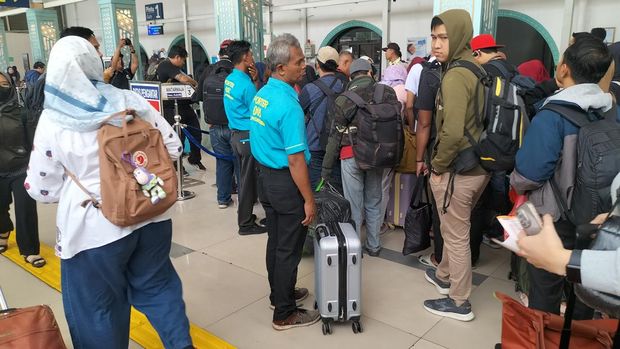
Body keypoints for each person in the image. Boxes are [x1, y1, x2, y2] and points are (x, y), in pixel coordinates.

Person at [24, 36, 192, 349]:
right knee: (159, 288)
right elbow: (174, 146)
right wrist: (135, 174)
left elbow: (41, 188)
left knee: (97, 310)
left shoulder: (53, 119)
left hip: (92, 231)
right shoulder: (131, 101)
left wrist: (85, 185)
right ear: (93, 62)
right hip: (151, 213)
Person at [510, 35, 614, 319]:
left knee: (545, 287)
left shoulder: (552, 114)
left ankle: (545, 335)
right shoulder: (609, 111)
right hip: (596, 215)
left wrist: (514, 181)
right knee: (584, 288)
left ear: (564, 69)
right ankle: (580, 337)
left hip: (554, 219)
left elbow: (529, 173)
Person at [423, 10, 490, 322]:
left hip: (458, 170)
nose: (436, 44)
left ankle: (459, 301)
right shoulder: (475, 68)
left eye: (444, 37)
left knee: (456, 235)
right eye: (434, 37)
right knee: (454, 229)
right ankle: (444, 274)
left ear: (460, 36)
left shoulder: (454, 76)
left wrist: (437, 166)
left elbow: (450, 132)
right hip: (478, 166)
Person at [249, 33, 319, 330]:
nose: (305, 65)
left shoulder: (264, 93)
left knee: (277, 240)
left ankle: (279, 295)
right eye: (299, 61)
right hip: (285, 182)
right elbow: (295, 160)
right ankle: (285, 313)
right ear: (280, 68)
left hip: (266, 178)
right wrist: (309, 199)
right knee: (289, 248)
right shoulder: (288, 106)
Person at [322, 58, 399, 257]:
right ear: (370, 73)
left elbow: (334, 138)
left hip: (351, 155)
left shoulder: (344, 98)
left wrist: (326, 170)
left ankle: (355, 249)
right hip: (378, 155)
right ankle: (374, 245)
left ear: (351, 76)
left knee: (354, 205)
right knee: (374, 201)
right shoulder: (387, 92)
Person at [469, 34, 516, 254]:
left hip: (491, 140)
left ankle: (494, 229)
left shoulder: (486, 72)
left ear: (477, 53)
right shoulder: (510, 69)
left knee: (488, 190)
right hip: (509, 139)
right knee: (501, 184)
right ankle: (500, 228)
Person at [0, 71, 44, 268]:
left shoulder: (22, 113)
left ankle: (30, 250)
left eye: (3, 84)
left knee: (25, 210)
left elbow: (33, 142)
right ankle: (3, 230)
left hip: (21, 168)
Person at [223, 40, 266, 235]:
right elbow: (257, 111)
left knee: (243, 179)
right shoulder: (246, 85)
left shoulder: (231, 79)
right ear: (244, 57)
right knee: (249, 182)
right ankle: (245, 224)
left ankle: (245, 215)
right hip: (247, 137)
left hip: (236, 135)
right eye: (250, 54)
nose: (253, 57)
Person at [198, 40, 239, 209]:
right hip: (234, 126)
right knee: (240, 163)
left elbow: (198, 96)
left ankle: (223, 198)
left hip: (214, 126)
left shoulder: (208, 71)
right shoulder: (237, 72)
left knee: (222, 162)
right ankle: (244, 200)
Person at [299, 46, 345, 192]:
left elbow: (299, 115)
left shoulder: (309, 89)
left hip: (315, 147)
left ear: (317, 65)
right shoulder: (345, 86)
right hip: (338, 147)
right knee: (337, 192)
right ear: (337, 67)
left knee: (316, 192)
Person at [157, 45, 206, 172]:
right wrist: (196, 83)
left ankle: (194, 159)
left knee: (196, 132)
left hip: (184, 106)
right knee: (178, 137)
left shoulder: (176, 68)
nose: (183, 62)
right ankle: (177, 165)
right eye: (183, 59)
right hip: (171, 108)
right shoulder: (166, 65)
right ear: (177, 57)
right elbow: (183, 79)